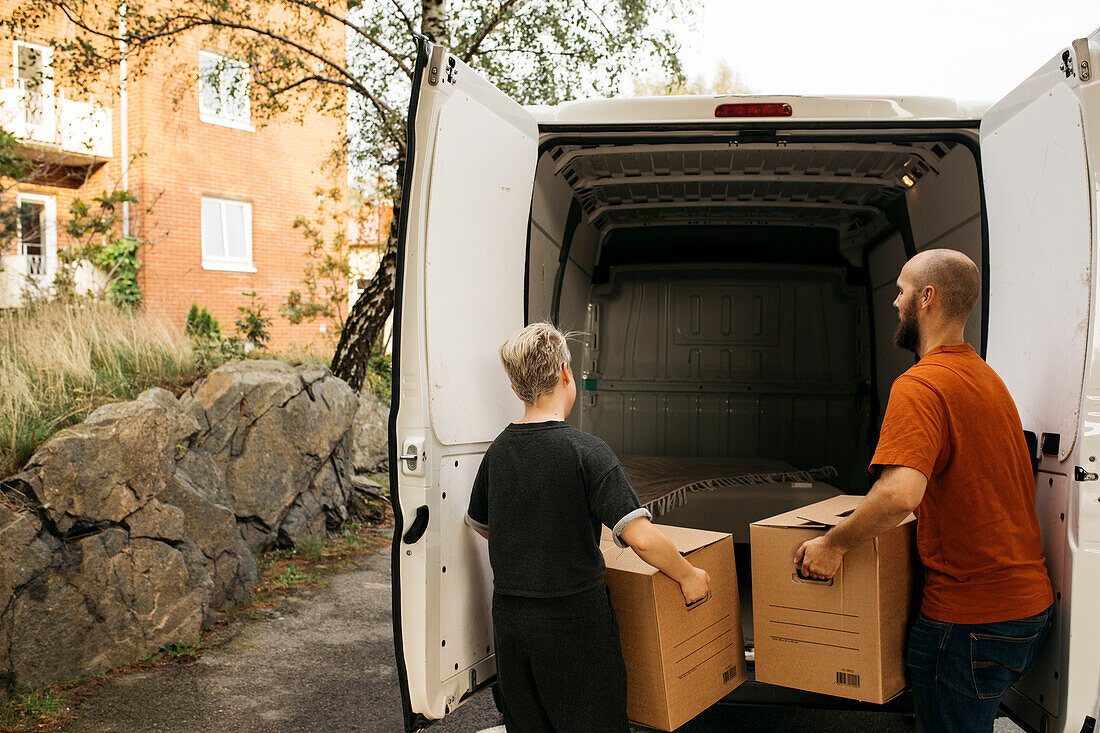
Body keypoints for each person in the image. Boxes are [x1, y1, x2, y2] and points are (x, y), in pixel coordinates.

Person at [795, 249, 1053, 733]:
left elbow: (899, 494)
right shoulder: (986, 378)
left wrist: (833, 545)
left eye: (901, 291)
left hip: (969, 621)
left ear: (927, 298)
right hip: (1027, 610)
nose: (894, 303)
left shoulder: (921, 385)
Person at [466, 322, 711, 733]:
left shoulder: (498, 451)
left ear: (514, 388)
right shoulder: (587, 451)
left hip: (511, 623)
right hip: (575, 625)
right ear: (566, 373)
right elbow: (642, 538)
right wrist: (689, 576)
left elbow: (483, 525)